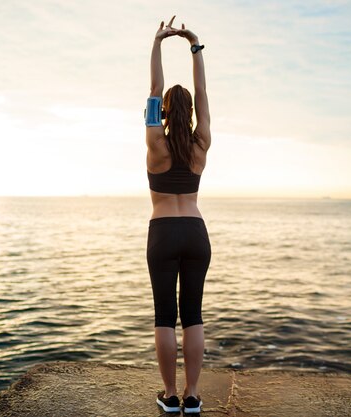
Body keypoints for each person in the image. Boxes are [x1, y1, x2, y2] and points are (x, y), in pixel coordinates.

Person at [145, 15, 211, 414]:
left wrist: (157, 42)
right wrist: (194, 45)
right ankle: (192, 395)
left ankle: (170, 396)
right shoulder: (202, 143)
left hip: (163, 232)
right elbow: (202, 91)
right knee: (194, 316)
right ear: (190, 114)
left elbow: (154, 87)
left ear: (165, 112)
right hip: (196, 231)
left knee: (165, 317)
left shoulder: (155, 142)